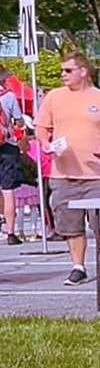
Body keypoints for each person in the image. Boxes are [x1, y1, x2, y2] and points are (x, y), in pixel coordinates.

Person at [34, 52, 100, 285]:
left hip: (96, 174)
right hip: (62, 173)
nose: (63, 75)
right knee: (70, 224)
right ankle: (78, 266)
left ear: (83, 71)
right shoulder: (54, 97)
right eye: (62, 70)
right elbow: (42, 127)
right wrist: (45, 143)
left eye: (68, 70)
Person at [0, 66, 25, 244]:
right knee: (8, 191)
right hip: (7, 146)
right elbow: (19, 121)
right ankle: (10, 232)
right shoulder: (9, 97)